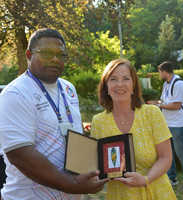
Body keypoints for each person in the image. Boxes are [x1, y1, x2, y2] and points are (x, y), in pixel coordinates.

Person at [0, 28, 108, 200]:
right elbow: (20, 154)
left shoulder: (68, 88)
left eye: (61, 54)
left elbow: (73, 135)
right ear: (29, 55)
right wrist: (72, 185)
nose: (55, 59)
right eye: (47, 53)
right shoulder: (16, 93)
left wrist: (92, 168)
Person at [91, 58, 177, 200]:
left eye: (126, 78)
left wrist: (145, 179)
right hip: (119, 195)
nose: (120, 84)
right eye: (113, 79)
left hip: (155, 192)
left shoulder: (152, 113)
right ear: (106, 86)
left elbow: (166, 158)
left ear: (133, 85)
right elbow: (96, 164)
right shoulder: (98, 122)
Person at [148, 61, 183, 191]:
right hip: (167, 123)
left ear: (164, 72)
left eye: (159, 72)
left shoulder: (179, 84)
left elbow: (176, 106)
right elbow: (164, 101)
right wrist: (155, 102)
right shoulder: (166, 84)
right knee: (169, 153)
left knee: (181, 153)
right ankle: (172, 178)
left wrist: (159, 105)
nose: (159, 74)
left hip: (178, 124)